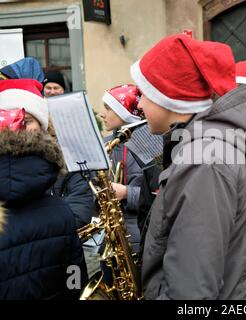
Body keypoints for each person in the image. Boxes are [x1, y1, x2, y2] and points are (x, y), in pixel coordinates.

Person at [133, 34, 246, 299]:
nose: (139, 104)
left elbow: (190, 291)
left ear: (169, 96)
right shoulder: (208, 150)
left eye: (144, 94)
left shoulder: (205, 162)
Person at [0, 79, 87, 299]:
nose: (15, 127)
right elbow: (74, 281)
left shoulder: (61, 211)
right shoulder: (61, 212)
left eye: (25, 120)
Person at [100, 84, 145, 253]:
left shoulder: (149, 145)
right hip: (110, 233)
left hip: (137, 234)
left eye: (108, 108)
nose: (102, 114)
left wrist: (126, 192)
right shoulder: (106, 144)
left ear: (126, 112)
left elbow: (159, 197)